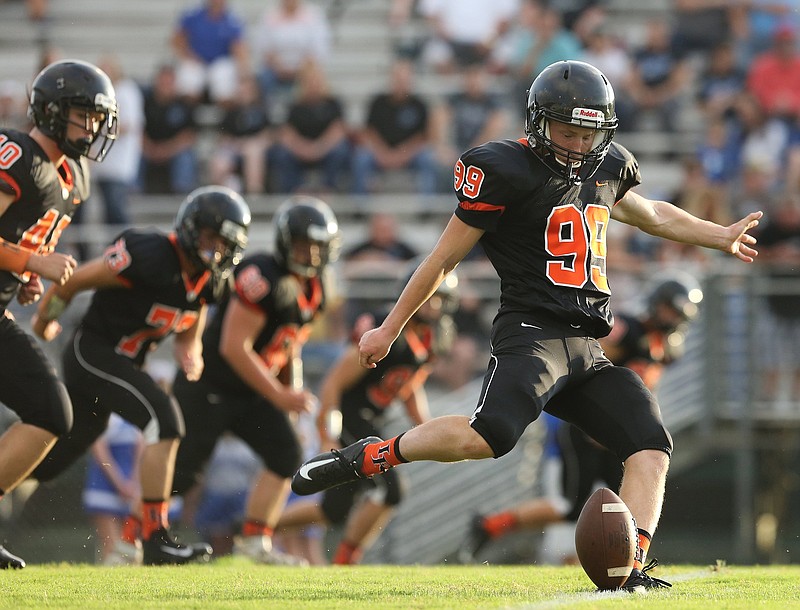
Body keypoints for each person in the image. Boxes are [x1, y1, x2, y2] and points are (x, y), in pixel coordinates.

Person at [291, 60, 763, 592]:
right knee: (487, 437)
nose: (579, 144)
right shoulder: (504, 170)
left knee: (650, 444)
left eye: (589, 132)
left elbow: (652, 214)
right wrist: (390, 328)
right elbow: (442, 260)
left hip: (588, 346)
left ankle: (630, 564)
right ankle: (372, 455)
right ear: (539, 122)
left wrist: (717, 235)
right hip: (532, 336)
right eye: (567, 130)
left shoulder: (607, 168)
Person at [29, 186, 251, 566]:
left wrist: (189, 349)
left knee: (50, 456)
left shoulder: (212, 281)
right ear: (190, 228)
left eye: (223, 243)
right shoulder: (149, 255)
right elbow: (76, 280)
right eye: (211, 238)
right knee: (165, 422)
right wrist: (45, 319)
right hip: (94, 352)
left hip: (123, 364)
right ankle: (153, 537)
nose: (215, 250)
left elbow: (192, 310)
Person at [456, 274, 704, 564]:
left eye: (677, 313)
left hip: (618, 431)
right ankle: (491, 526)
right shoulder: (628, 329)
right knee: (571, 505)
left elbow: (647, 385)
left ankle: (624, 557)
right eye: (668, 309)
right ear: (656, 303)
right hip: (588, 428)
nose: (670, 317)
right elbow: (588, 362)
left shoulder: (666, 346)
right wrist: (598, 422)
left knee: (627, 498)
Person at [170, 196, 341, 566]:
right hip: (211, 384)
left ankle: (255, 542)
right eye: (302, 246)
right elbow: (234, 347)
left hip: (251, 390)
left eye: (317, 247)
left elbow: (289, 346)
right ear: (284, 242)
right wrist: (280, 395)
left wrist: (289, 393)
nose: (310, 256)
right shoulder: (263, 274)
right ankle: (138, 537)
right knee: (181, 472)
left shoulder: (317, 287)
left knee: (285, 455)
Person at [0, 59, 118, 569]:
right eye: (82, 116)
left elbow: (20, 238)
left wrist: (23, 275)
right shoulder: (17, 155)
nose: (91, 128)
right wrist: (31, 261)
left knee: (51, 414)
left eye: (97, 119)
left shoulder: (73, 177)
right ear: (50, 112)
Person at [277, 269, 459, 564]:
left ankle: (259, 529)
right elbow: (333, 382)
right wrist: (328, 434)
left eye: (440, 300)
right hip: (347, 418)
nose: (433, 306)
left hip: (371, 421)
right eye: (430, 297)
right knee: (391, 491)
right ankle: (342, 559)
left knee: (333, 512)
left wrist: (427, 429)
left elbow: (408, 387)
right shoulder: (388, 328)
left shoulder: (431, 338)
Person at [71, 54, 144, 261]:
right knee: (81, 210)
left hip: (115, 165)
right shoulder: (106, 92)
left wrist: (95, 130)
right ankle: (90, 255)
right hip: (97, 163)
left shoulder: (126, 91)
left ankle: (122, 252)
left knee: (114, 212)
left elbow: (126, 125)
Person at [351, 59, 438, 196]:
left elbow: (423, 137)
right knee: (361, 159)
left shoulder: (419, 104)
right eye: (398, 79)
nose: (401, 84)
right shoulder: (378, 102)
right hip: (380, 153)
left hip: (410, 154)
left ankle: (427, 207)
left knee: (427, 158)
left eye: (404, 79)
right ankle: (358, 207)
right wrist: (383, 154)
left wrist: (400, 156)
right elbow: (369, 132)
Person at [269, 61, 351, 194]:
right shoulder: (295, 106)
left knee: (341, 150)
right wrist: (304, 150)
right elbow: (287, 134)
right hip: (300, 152)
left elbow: (338, 131)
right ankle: (295, 190)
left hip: (326, 150)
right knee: (281, 153)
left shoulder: (333, 103)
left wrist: (318, 149)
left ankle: (328, 188)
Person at [82, 413, 144, 565]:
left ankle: (134, 586)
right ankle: (111, 585)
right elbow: (99, 450)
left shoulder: (136, 411)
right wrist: (120, 483)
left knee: (132, 548)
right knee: (111, 547)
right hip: (104, 487)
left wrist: (134, 481)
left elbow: (142, 446)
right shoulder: (104, 413)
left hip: (131, 488)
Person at [171, 0, 250, 106]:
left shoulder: (233, 17)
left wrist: (243, 70)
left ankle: (225, 117)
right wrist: (188, 55)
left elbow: (238, 47)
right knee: (189, 77)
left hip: (221, 61)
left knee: (224, 78)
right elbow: (177, 39)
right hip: (196, 60)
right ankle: (188, 114)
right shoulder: (193, 12)